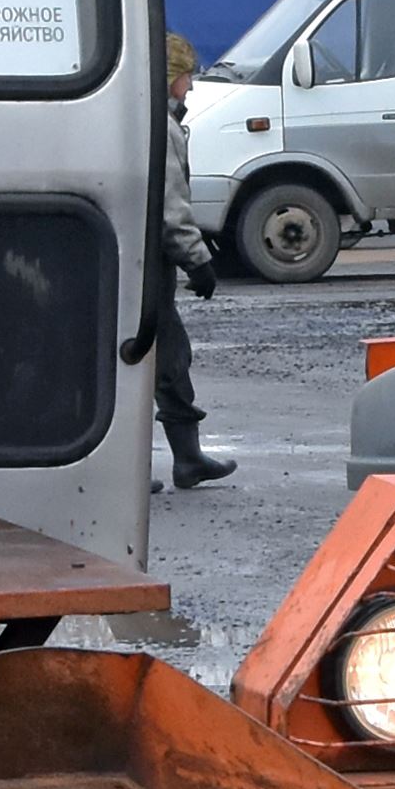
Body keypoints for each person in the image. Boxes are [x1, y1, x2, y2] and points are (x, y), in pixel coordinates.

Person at [153, 31, 231, 487]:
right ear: (169, 78)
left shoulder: (152, 119)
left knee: (157, 358)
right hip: (147, 269)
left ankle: (185, 460)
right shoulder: (160, 128)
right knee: (166, 358)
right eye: (186, 75)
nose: (192, 86)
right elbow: (169, 206)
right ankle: (185, 459)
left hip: (134, 264)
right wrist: (197, 260)